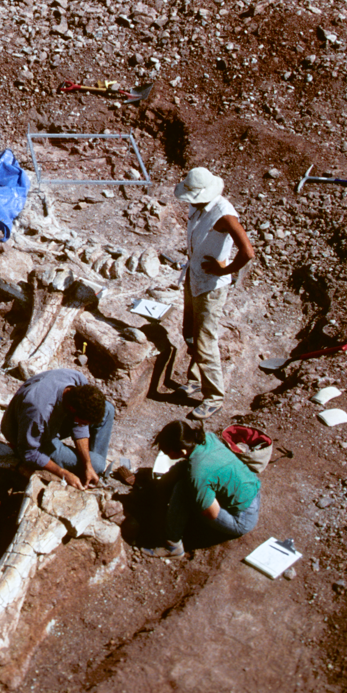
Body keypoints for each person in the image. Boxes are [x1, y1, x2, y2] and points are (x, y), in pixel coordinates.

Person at [174, 167, 256, 420]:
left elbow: (248, 252)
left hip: (211, 286)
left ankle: (214, 397)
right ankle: (196, 378)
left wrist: (227, 270)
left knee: (205, 339)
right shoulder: (198, 205)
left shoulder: (224, 215)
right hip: (194, 276)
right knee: (190, 332)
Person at [146, 420, 260, 558]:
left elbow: (210, 513)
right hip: (252, 490)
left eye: (166, 452)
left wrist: (196, 498)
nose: (165, 454)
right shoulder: (207, 437)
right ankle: (160, 487)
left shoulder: (198, 473)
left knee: (183, 489)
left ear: (182, 451)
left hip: (242, 519)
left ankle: (172, 546)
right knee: (187, 472)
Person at [1, 368, 115, 490]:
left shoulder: (77, 380)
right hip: (28, 434)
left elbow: (79, 427)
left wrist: (87, 464)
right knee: (98, 464)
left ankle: (90, 472)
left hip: (54, 418)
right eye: (82, 422)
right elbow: (29, 453)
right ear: (72, 409)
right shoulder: (38, 411)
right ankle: (93, 469)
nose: (83, 424)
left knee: (108, 409)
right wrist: (64, 473)